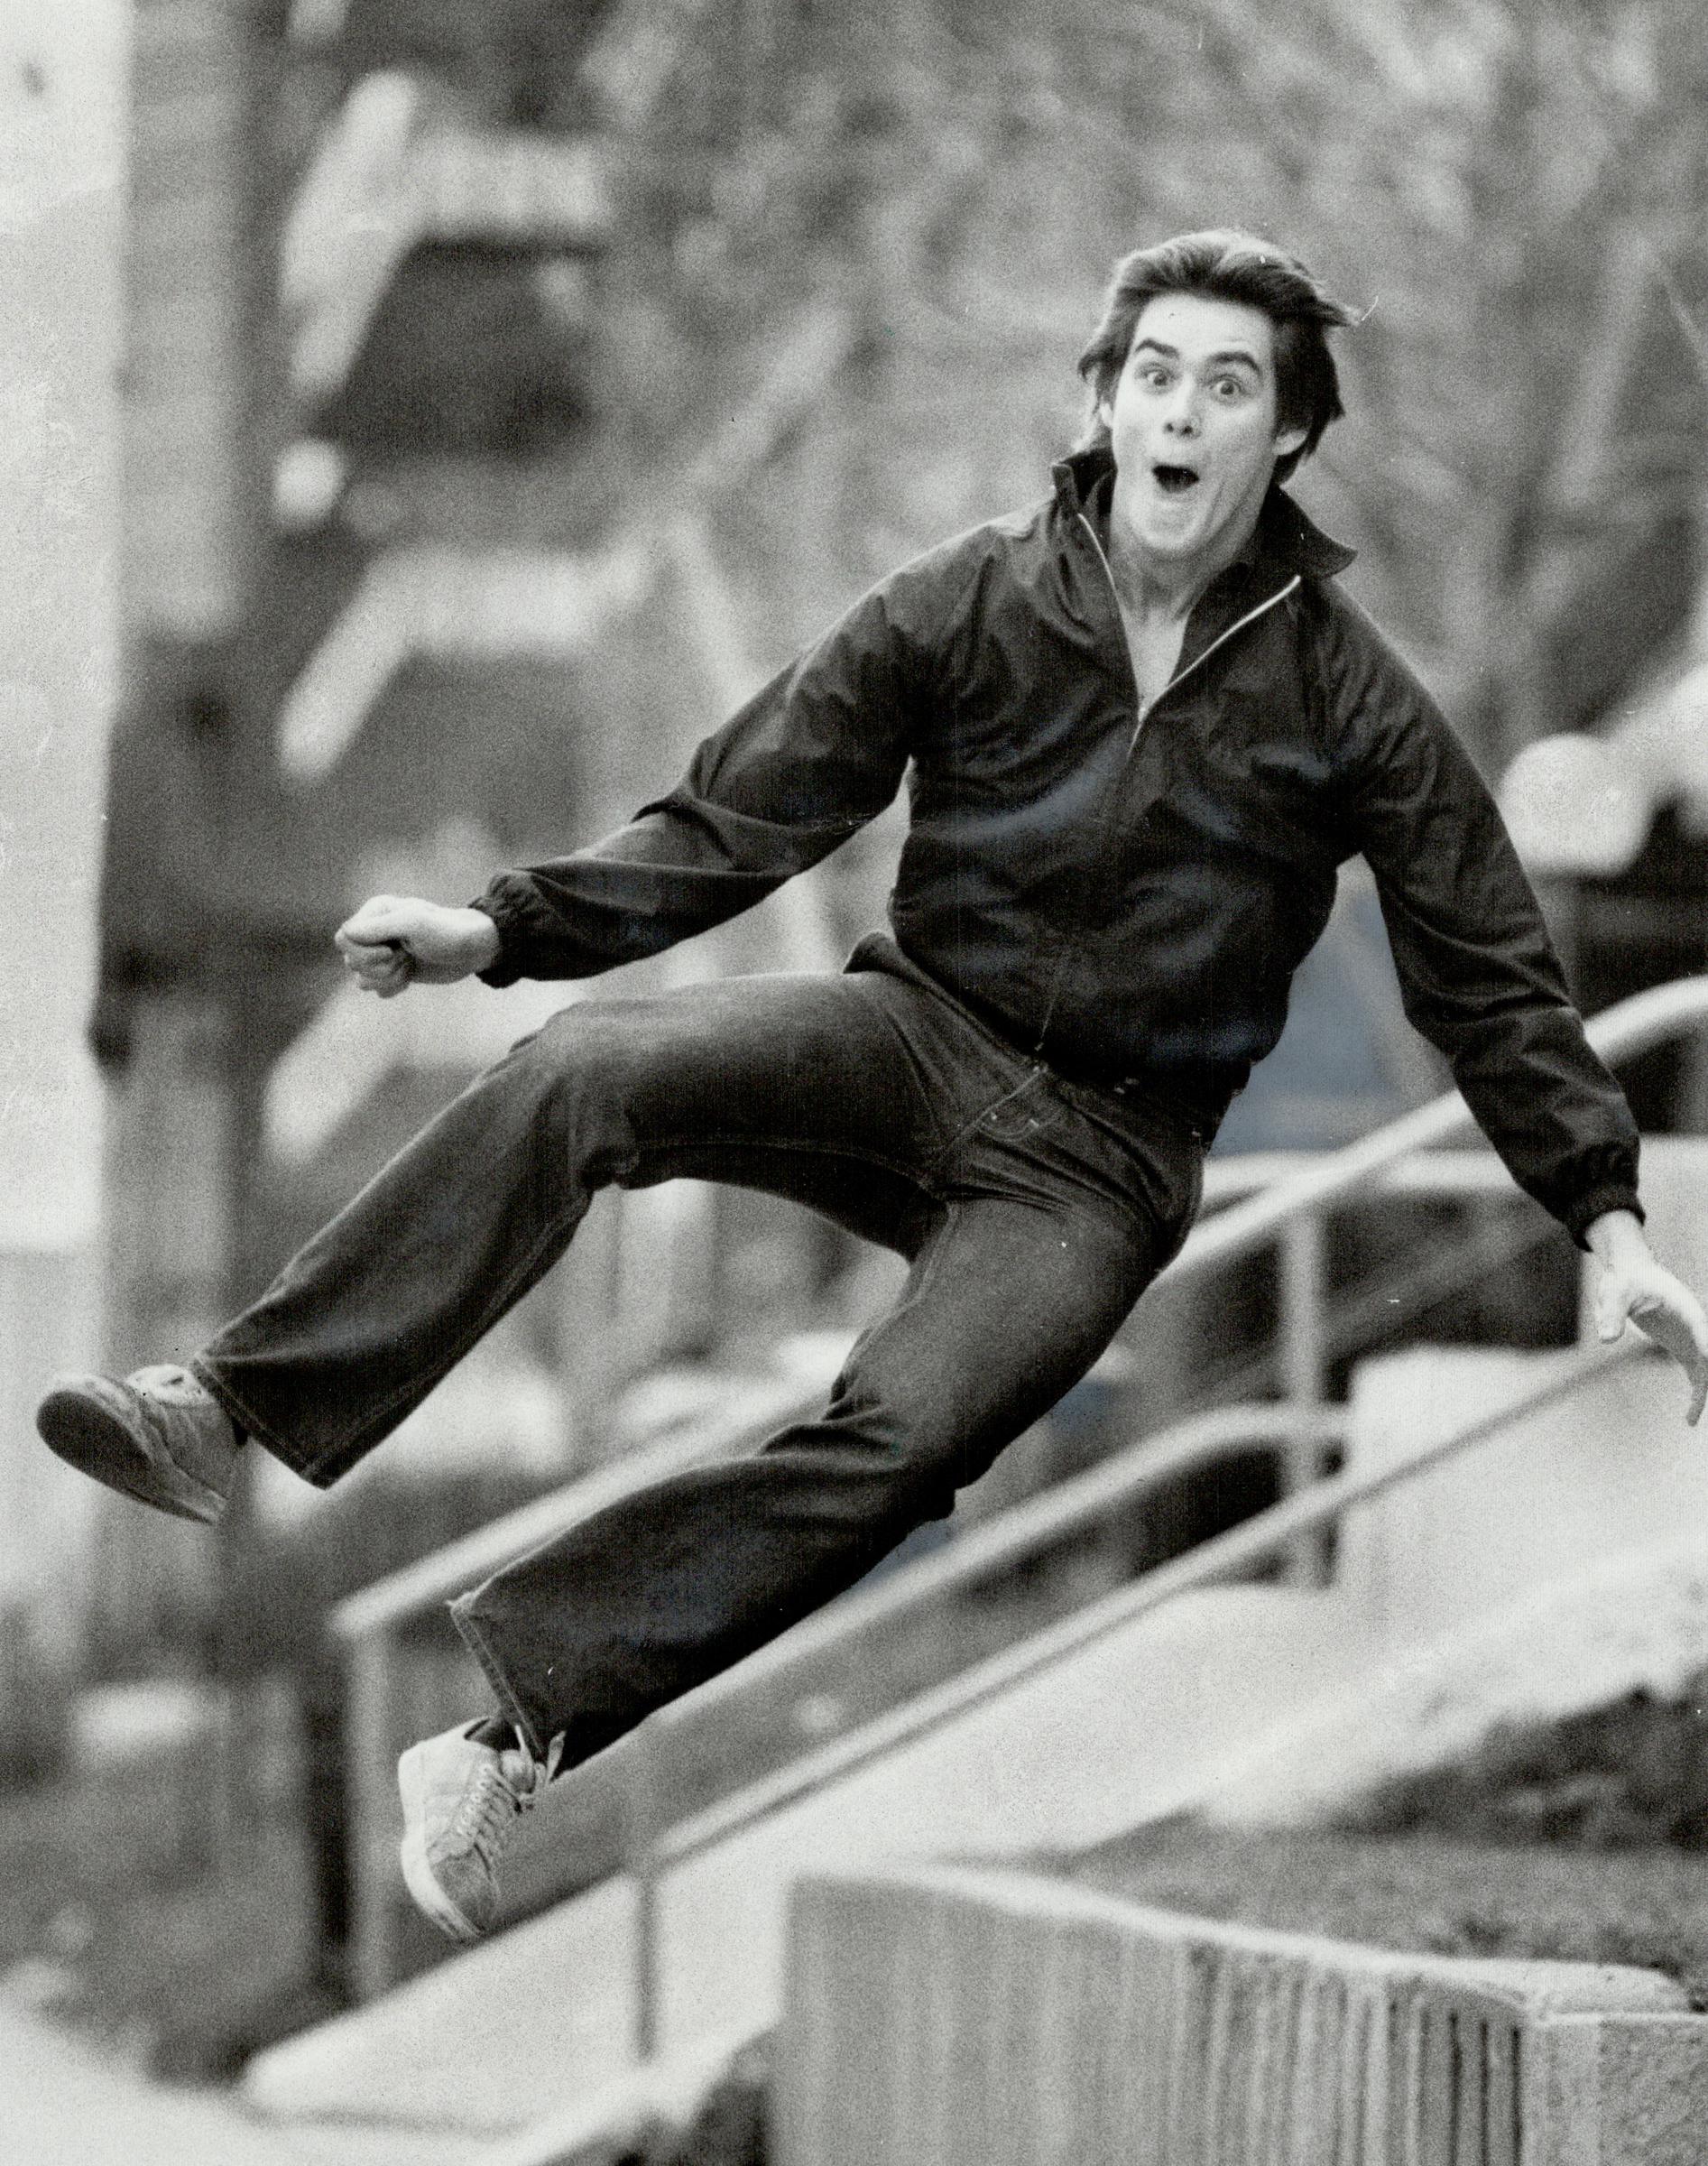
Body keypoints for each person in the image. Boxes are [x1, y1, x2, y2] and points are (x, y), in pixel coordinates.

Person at [40, 230, 1708, 1945]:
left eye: (1230, 386)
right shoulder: (966, 598)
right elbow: (739, 814)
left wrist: (1604, 1219)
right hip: (912, 1042)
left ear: (1285, 438)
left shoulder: (1347, 696)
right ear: (1102, 403)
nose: (1183, 414)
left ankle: (506, 1732)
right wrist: (499, 930)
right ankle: (220, 1408)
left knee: (906, 1435)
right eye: (1155, 376)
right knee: (591, 1069)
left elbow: (1487, 965)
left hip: (1100, 1167)